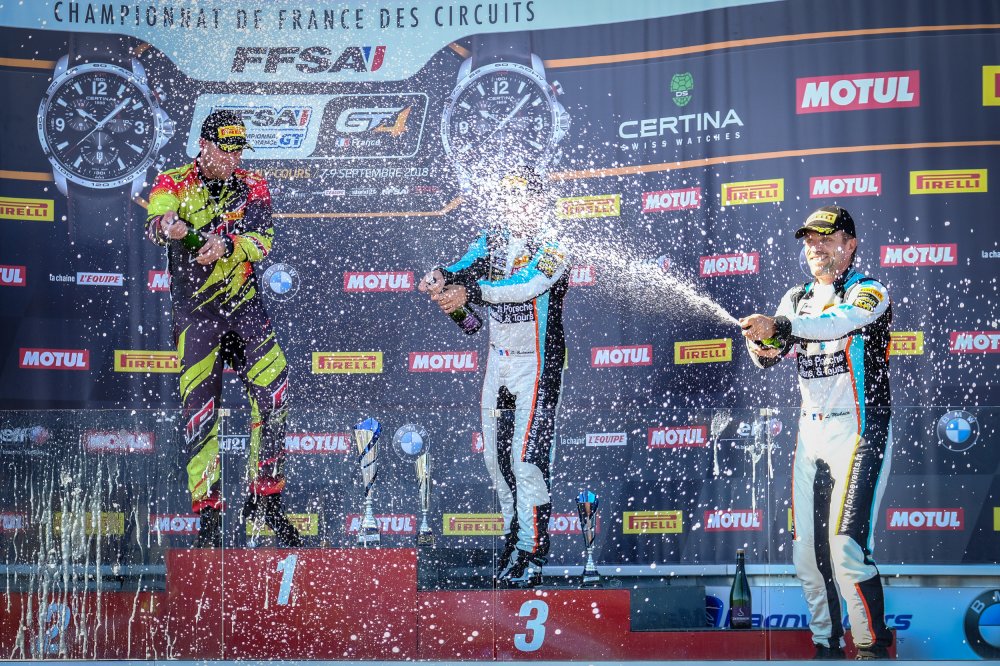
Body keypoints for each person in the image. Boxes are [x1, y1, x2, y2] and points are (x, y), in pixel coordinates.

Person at [739, 206, 893, 660]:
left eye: (826, 239)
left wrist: (782, 328)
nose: (815, 247)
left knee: (845, 549)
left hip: (859, 429)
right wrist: (760, 341)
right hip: (811, 433)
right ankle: (825, 647)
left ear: (850, 244)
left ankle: (871, 647)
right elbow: (771, 355)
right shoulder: (796, 296)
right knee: (806, 554)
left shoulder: (869, 291)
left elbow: (835, 323)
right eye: (809, 240)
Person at [145, 110, 300, 548]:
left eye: (237, 151)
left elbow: (263, 240)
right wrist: (168, 226)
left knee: (275, 394)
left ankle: (266, 499)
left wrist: (226, 244)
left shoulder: (254, 184)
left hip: (246, 312)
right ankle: (209, 516)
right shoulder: (173, 181)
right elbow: (156, 222)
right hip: (197, 319)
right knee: (201, 412)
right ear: (204, 145)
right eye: (224, 150)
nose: (232, 159)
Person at [418, 168, 569, 588]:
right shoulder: (493, 238)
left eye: (520, 199)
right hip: (498, 363)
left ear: (537, 202)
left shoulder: (555, 243)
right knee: (496, 462)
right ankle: (512, 542)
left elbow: (526, 285)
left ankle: (533, 551)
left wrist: (472, 292)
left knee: (527, 462)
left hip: (537, 365)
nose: (512, 207)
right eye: (507, 199)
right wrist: (443, 275)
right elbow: (465, 264)